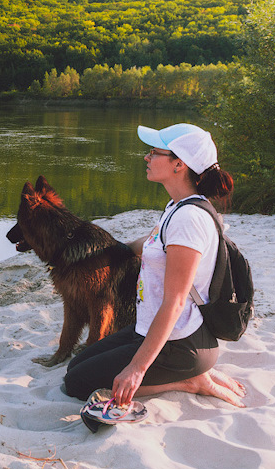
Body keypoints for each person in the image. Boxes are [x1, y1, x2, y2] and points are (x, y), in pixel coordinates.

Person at [63, 123, 246, 408]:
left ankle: (191, 380)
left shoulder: (188, 220)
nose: (146, 158)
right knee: (77, 367)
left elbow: (175, 302)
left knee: (76, 384)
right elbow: (146, 244)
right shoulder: (177, 207)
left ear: (178, 165)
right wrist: (104, 249)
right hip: (152, 329)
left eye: (153, 152)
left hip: (181, 342)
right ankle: (189, 373)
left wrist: (136, 369)